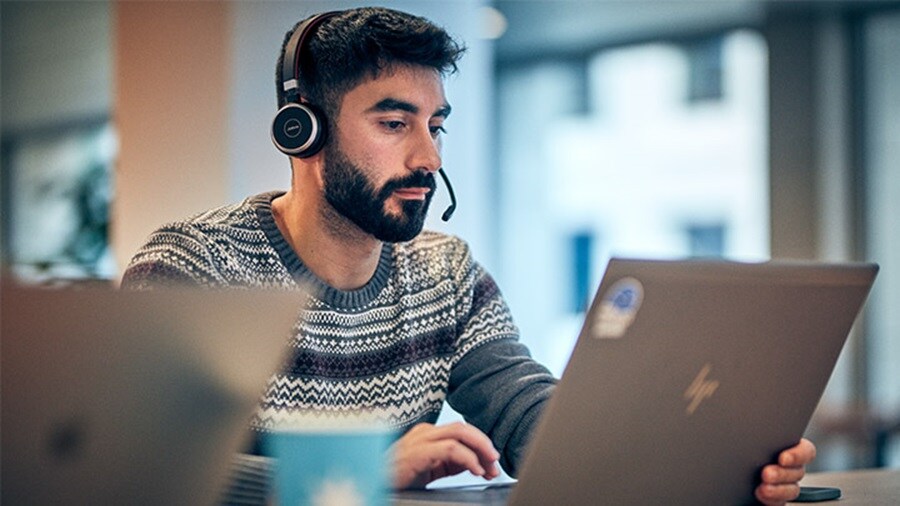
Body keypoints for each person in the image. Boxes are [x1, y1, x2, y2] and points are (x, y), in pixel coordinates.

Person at [121, 7, 816, 505]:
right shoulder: (194, 268)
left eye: (436, 125)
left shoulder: (445, 273)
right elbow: (139, 470)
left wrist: (714, 463)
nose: (428, 157)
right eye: (394, 123)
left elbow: (531, 415)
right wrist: (354, 476)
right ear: (302, 131)